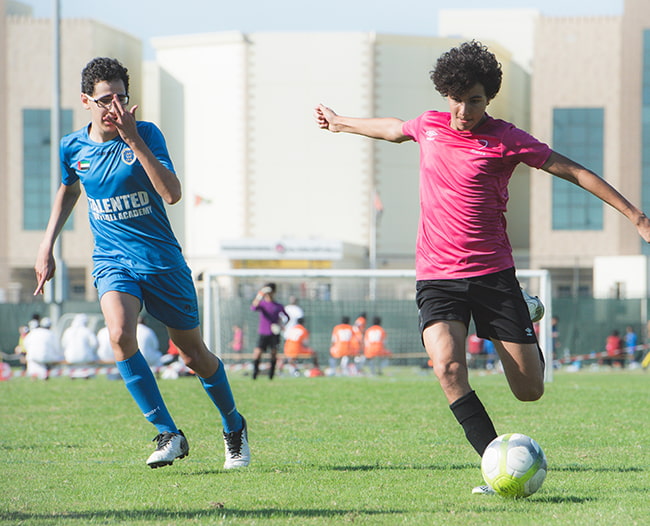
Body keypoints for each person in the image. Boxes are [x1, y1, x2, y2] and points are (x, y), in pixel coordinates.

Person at [314, 40, 650, 494]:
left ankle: (523, 310)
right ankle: (497, 466)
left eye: (476, 100)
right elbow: (393, 128)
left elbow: (572, 171)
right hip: (436, 275)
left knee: (530, 390)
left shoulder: (507, 139)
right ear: (445, 94)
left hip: (492, 275)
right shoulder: (429, 126)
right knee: (448, 369)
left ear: (488, 98)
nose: (465, 110)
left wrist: (636, 217)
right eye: (458, 99)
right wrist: (341, 123)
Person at [33, 57, 249, 469]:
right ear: (86, 102)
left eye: (121, 98)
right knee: (118, 334)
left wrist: (134, 141)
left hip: (161, 262)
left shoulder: (146, 134)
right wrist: (47, 245)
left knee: (193, 355)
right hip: (112, 259)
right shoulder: (72, 146)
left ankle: (233, 425)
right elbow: (69, 189)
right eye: (104, 100)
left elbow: (172, 194)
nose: (114, 107)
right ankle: (169, 433)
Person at [250, 283, 288, 380]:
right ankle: (255, 374)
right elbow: (253, 307)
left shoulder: (278, 306)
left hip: (274, 334)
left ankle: (271, 375)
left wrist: (281, 325)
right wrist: (260, 294)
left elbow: (287, 317)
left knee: (274, 353)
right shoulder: (262, 304)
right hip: (263, 333)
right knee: (258, 352)